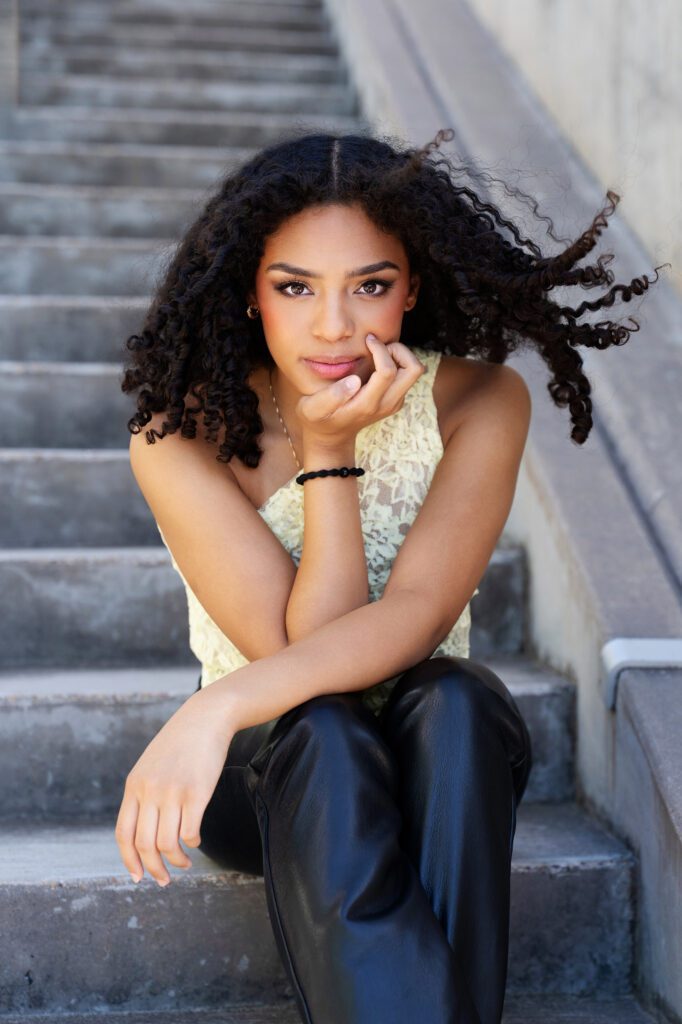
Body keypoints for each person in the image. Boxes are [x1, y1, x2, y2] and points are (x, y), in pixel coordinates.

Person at [115, 128, 662, 1024]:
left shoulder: (481, 401)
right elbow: (298, 657)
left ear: (411, 287)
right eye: (296, 287)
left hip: (435, 765)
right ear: (251, 292)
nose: (335, 326)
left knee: (458, 697)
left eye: (369, 285)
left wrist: (206, 705)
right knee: (326, 726)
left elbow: (410, 620)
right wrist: (329, 456)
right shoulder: (178, 433)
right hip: (269, 773)